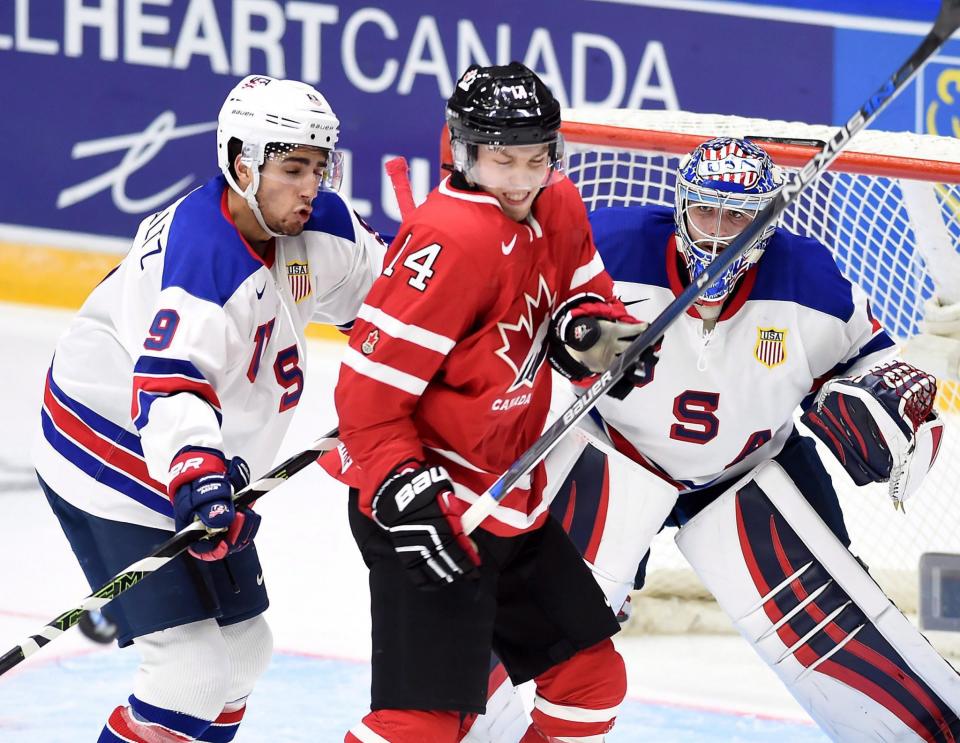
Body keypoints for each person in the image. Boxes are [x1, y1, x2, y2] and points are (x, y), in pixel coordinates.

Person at [471, 135, 954, 741]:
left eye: (740, 216)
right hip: (617, 456)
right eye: (707, 211)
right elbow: (506, 316)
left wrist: (886, 401)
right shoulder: (606, 249)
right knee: (529, 623)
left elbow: (868, 366)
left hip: (754, 468)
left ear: (768, 220)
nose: (722, 234)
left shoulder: (811, 282)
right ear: (680, 207)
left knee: (841, 628)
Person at [33, 75, 386, 742]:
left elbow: (396, 313)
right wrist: (200, 482)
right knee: (187, 675)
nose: (309, 186)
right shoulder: (205, 263)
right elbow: (171, 387)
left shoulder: (316, 232)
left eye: (318, 166)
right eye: (291, 168)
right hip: (113, 449)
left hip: (205, 451)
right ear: (240, 164)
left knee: (244, 651)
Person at [333, 62, 650, 743]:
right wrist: (400, 486)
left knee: (589, 683)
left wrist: (604, 338)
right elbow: (365, 394)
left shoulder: (559, 206)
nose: (520, 179)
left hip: (512, 500)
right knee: (421, 724)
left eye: (536, 159)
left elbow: (589, 302)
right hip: (431, 507)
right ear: (465, 150)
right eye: (502, 160)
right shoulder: (452, 239)